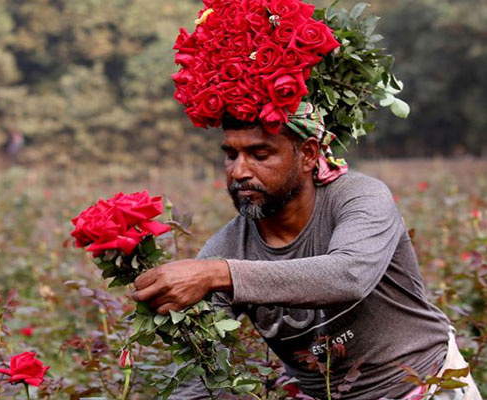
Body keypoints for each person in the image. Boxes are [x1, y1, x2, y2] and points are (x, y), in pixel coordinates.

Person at [131, 0, 482, 398]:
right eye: (230, 154)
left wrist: (217, 274)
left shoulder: (358, 198)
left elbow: (348, 276)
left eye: (260, 155)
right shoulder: (230, 247)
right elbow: (203, 370)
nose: (239, 170)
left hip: (429, 387)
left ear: (309, 155)